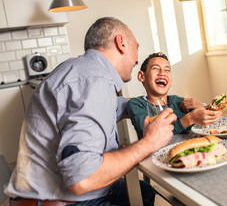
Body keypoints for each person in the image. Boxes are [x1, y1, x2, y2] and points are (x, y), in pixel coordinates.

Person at [5, 17, 176, 206]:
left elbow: (111, 106)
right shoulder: (94, 81)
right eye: (137, 47)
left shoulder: (79, 70)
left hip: (40, 193)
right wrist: (149, 143)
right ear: (121, 43)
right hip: (64, 199)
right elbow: (82, 178)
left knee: (143, 192)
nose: (137, 59)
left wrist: (151, 103)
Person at [127, 52, 222, 139]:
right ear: (141, 76)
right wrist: (189, 118)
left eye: (167, 70)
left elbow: (214, 124)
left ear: (171, 81)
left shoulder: (179, 101)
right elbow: (155, 135)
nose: (162, 73)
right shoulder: (136, 104)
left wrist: (202, 106)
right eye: (155, 68)